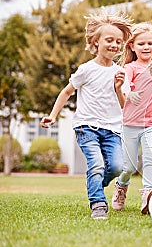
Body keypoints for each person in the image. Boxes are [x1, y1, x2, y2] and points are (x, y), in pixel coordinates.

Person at [40, 11, 133, 219]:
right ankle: (98, 203)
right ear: (95, 42)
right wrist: (53, 116)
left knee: (117, 167)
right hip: (86, 127)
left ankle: (96, 184)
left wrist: (118, 88)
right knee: (97, 164)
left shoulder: (120, 73)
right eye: (109, 40)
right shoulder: (86, 69)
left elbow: (124, 106)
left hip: (112, 129)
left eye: (118, 41)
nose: (114, 45)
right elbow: (66, 92)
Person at [111, 23, 152, 214]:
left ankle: (148, 196)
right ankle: (121, 186)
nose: (146, 47)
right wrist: (128, 92)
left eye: (150, 43)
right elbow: (124, 84)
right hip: (130, 124)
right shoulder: (130, 67)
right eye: (141, 44)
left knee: (150, 158)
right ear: (132, 46)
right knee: (129, 166)